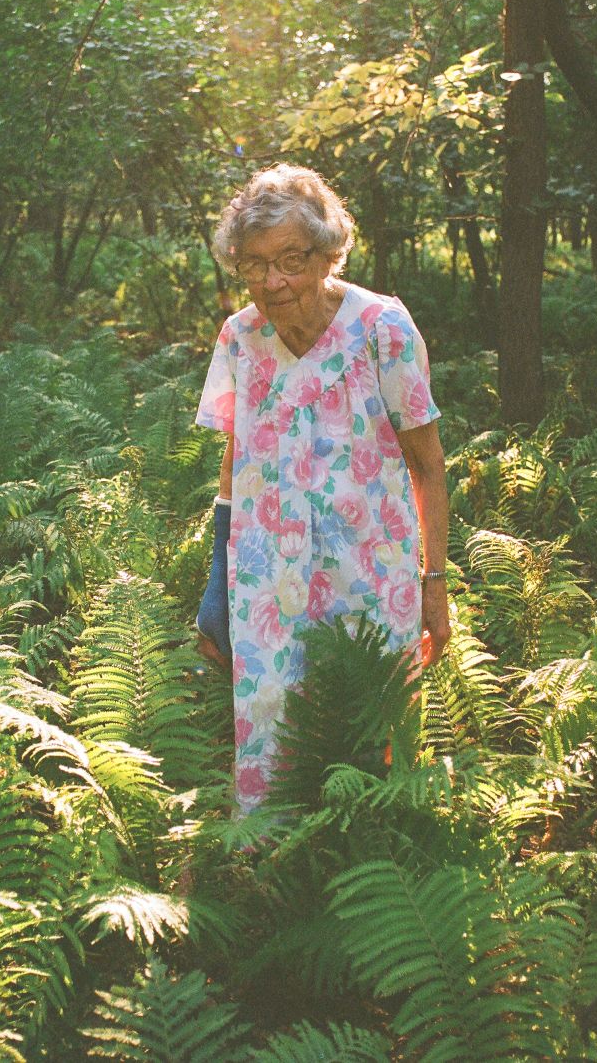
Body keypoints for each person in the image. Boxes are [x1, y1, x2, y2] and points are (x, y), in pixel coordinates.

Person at [193, 163, 451, 814]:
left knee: (372, 727)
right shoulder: (240, 339)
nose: (273, 282)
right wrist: (216, 581)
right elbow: (234, 465)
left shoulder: (381, 330)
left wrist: (434, 582)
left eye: (291, 259)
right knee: (275, 731)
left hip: (371, 573)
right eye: (254, 264)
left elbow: (428, 465)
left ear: (327, 253)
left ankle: (377, 869)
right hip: (267, 579)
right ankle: (280, 876)